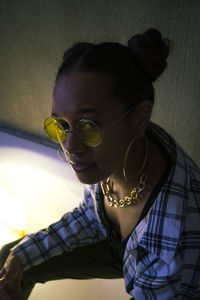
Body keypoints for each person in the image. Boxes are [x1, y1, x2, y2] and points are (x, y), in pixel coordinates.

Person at [0, 28, 200, 300]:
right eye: (60, 125)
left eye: (88, 126)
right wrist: (20, 257)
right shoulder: (121, 152)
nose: (69, 147)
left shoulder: (172, 239)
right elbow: (91, 215)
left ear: (141, 116)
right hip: (116, 242)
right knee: (8, 260)